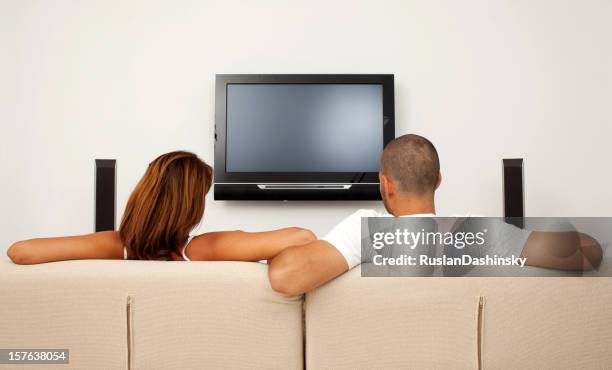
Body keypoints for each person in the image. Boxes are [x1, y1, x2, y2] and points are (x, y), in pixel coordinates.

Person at [268, 134, 603, 295]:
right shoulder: (479, 233)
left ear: (386, 185)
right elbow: (589, 252)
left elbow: (285, 277)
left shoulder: (365, 229)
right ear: (439, 181)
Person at [7, 151, 315, 264]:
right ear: (192, 205)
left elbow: (20, 251)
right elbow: (302, 238)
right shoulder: (203, 249)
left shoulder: (114, 246)